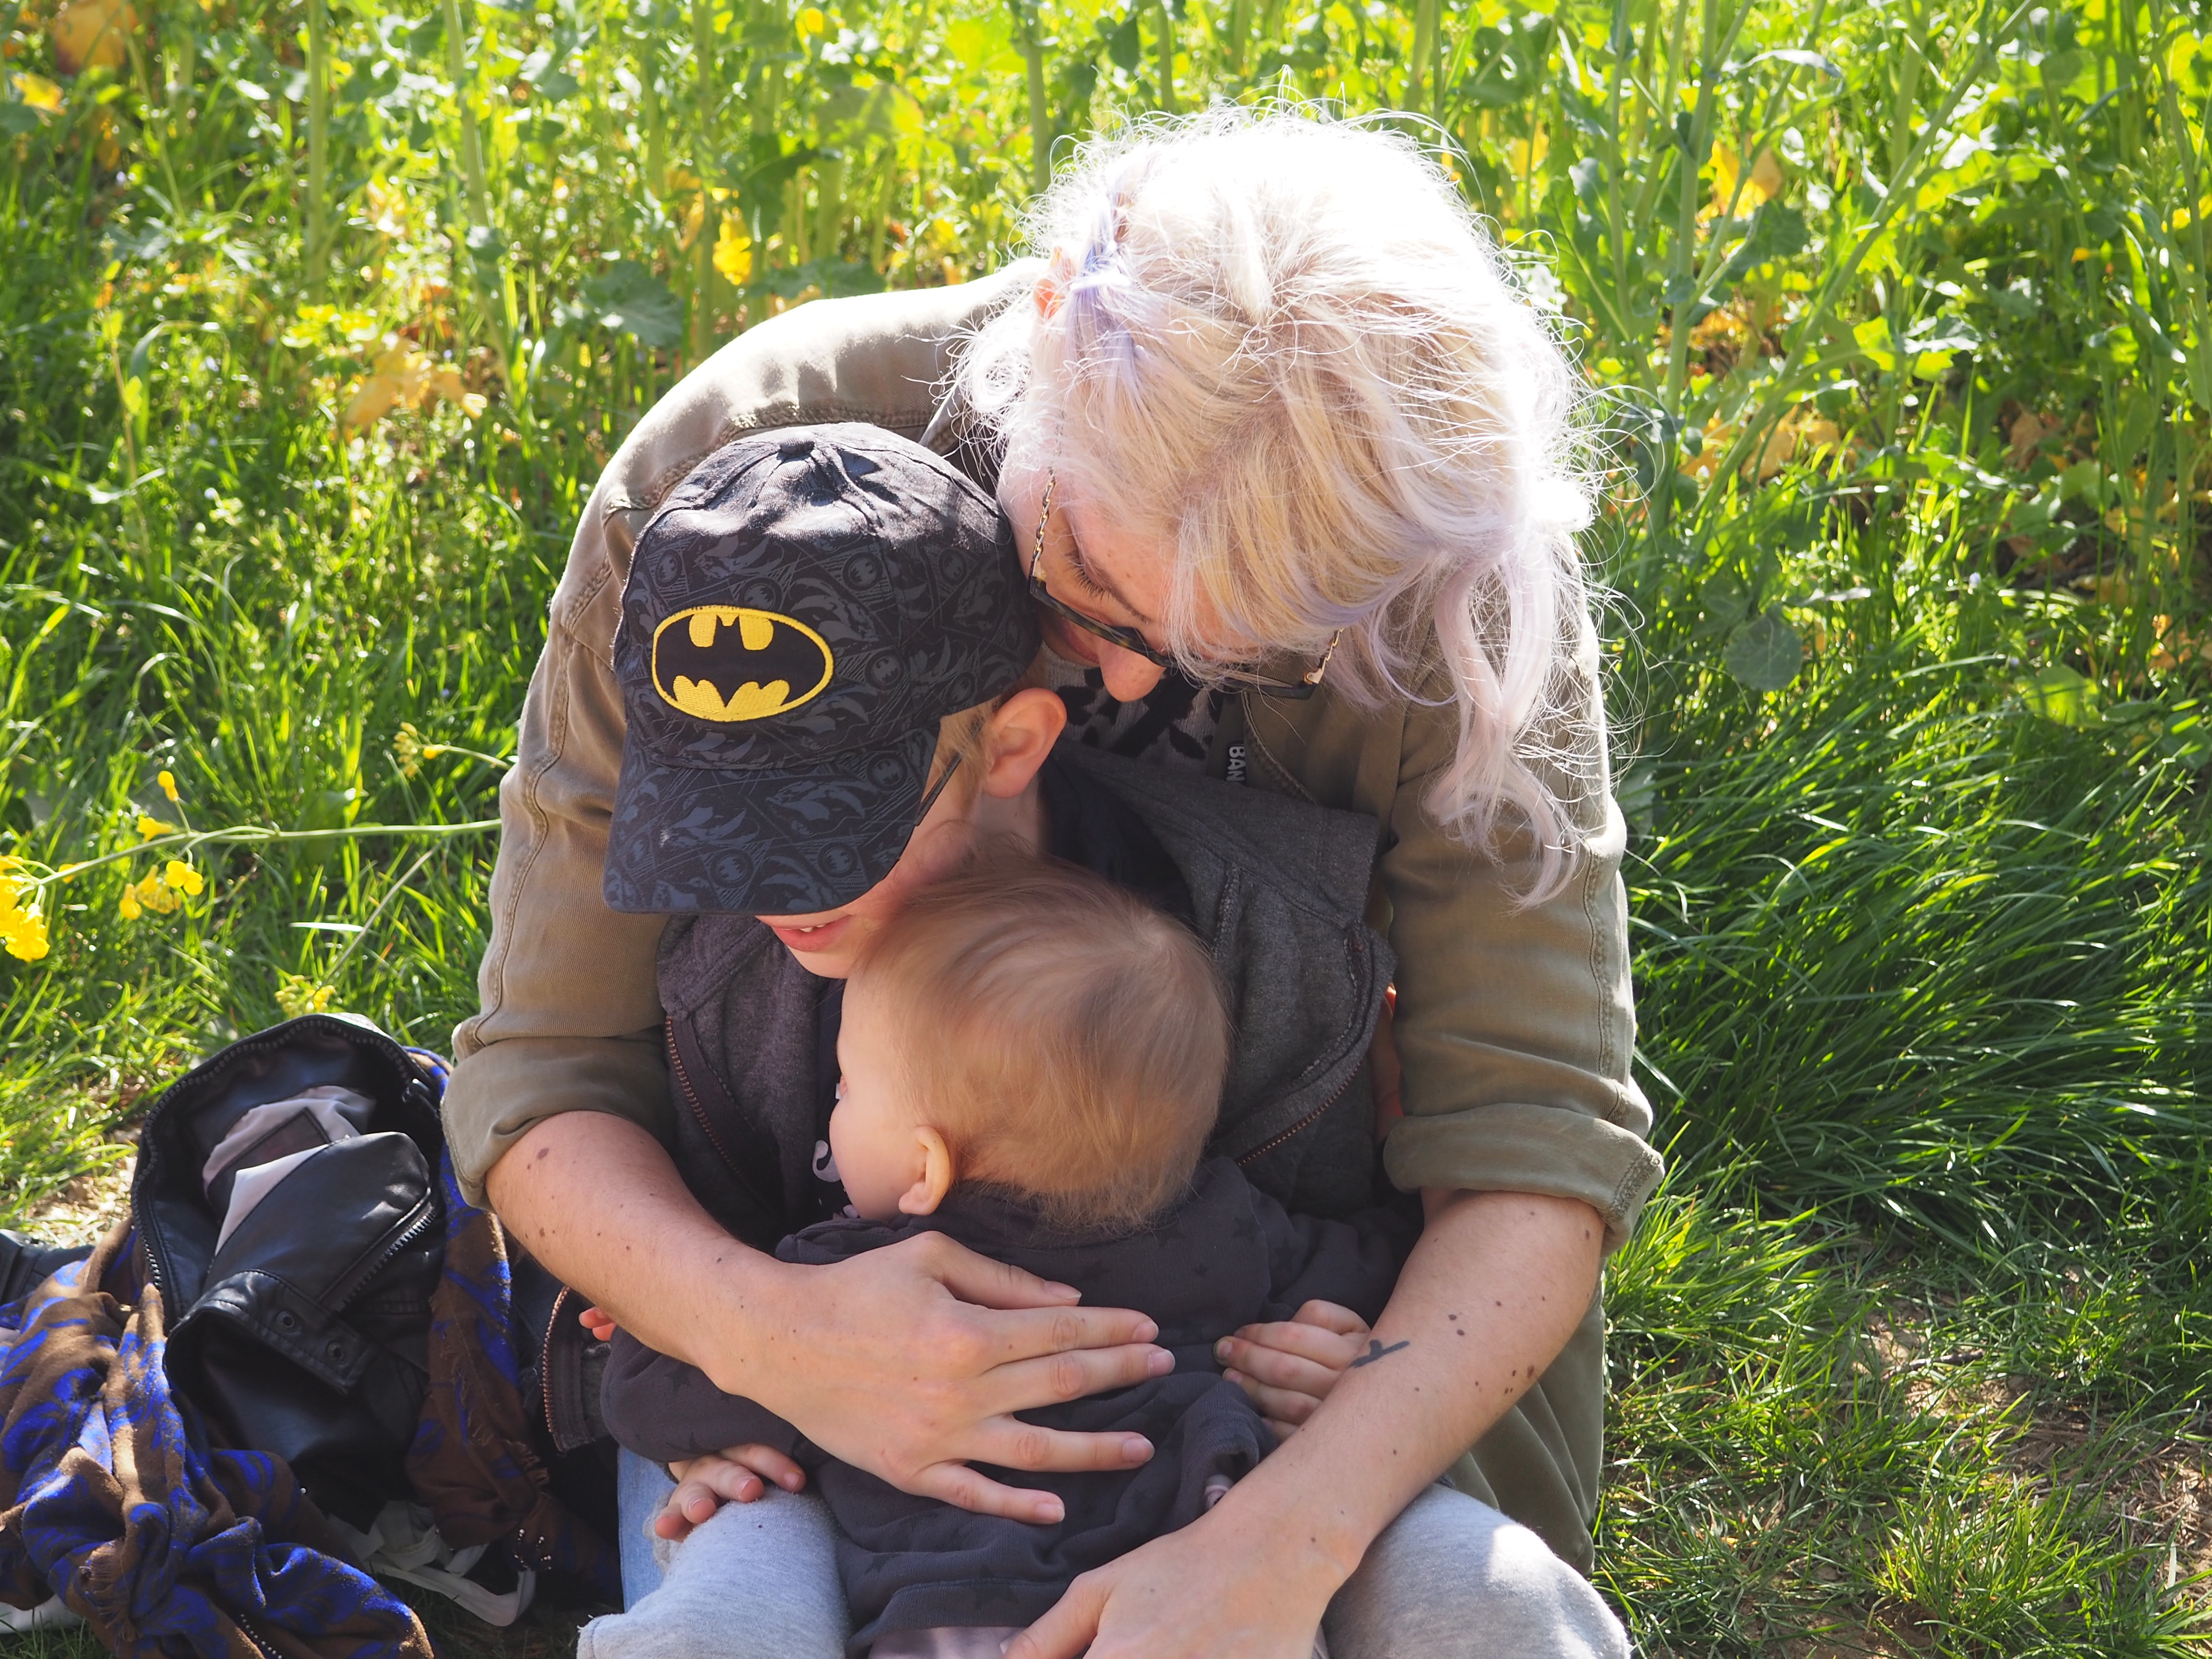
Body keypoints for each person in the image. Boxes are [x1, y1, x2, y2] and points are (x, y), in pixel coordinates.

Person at [447, 108, 1662, 1659]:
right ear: (1039, 339)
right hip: (777, 1283)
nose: (1118, 668)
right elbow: (550, 1063)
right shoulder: (739, 481)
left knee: (1472, 1618)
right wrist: (772, 1334)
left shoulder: (1425, 541)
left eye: (1247, 651)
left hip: (1278, 1355)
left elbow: (1533, 1132)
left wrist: (1282, 1529)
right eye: (1084, 583)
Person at [592, 857, 1414, 1659]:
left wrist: (648, 1322)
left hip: (944, 1622)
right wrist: (1359, 1355)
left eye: (846, 1087)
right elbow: (1390, 1263)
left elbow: (647, 1396)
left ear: (926, 1167)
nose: (837, 1106)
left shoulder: (858, 1275)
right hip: (1196, 1609)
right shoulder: (1234, 1229)